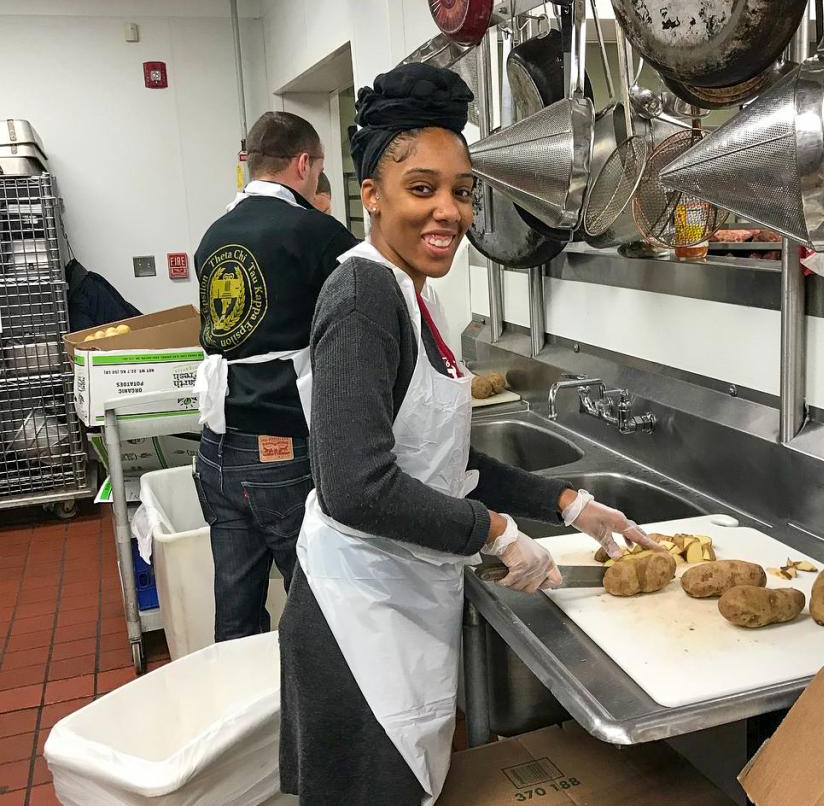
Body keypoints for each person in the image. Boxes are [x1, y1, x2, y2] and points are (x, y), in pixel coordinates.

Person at [278, 64, 660, 805]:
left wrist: (571, 502)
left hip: (394, 603)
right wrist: (493, 531)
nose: (448, 210)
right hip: (356, 624)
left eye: (461, 190)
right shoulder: (361, 296)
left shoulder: (412, 293)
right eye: (422, 188)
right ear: (371, 196)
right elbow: (354, 486)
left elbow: (438, 457)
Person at [192, 111, 357, 642]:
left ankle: (245, 717)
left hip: (217, 451)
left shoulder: (214, 235)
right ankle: (319, 720)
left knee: (236, 614)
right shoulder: (315, 232)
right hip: (281, 453)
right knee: (320, 607)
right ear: (304, 163)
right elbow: (358, 323)